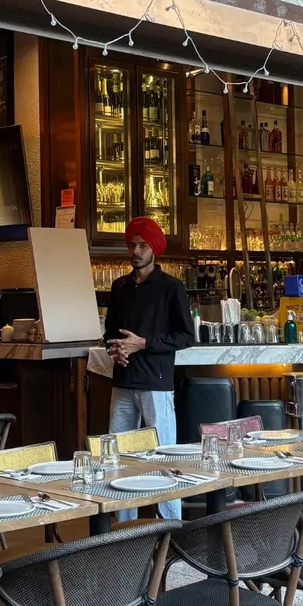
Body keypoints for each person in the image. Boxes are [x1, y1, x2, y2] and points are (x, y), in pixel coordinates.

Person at [103, 215, 193, 520]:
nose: (136, 251)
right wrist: (115, 349)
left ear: (154, 249)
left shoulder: (171, 287)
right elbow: (110, 332)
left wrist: (143, 343)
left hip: (156, 382)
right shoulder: (119, 287)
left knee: (164, 457)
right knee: (118, 458)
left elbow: (185, 337)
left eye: (142, 245)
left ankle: (171, 525)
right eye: (132, 245)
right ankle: (124, 530)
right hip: (123, 380)